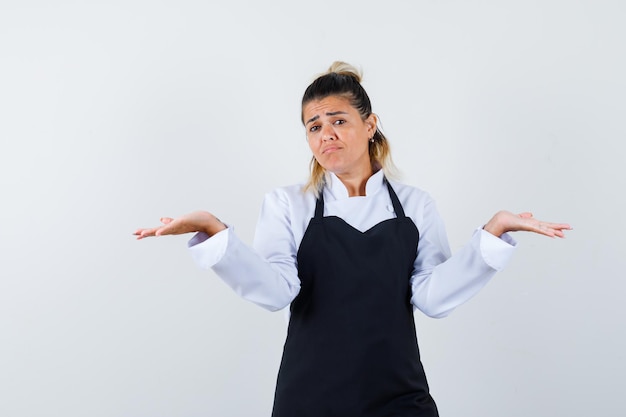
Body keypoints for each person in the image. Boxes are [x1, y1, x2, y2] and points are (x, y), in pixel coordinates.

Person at [134, 61, 571, 417]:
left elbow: (433, 298)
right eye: (313, 126)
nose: (326, 134)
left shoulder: (416, 205)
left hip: (399, 398)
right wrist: (214, 231)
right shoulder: (288, 205)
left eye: (338, 120)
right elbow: (275, 292)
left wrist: (492, 233)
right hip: (308, 399)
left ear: (370, 125)